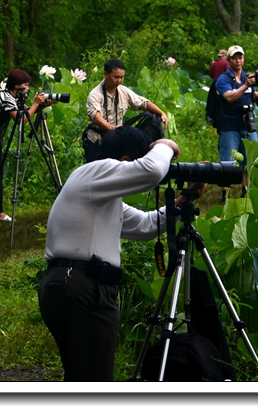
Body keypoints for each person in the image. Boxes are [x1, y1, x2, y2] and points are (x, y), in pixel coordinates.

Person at [38, 126, 201, 381]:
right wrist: (166, 145)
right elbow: (152, 170)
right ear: (126, 161)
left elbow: (145, 225)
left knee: (84, 375)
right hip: (83, 286)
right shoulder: (96, 170)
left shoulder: (99, 193)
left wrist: (181, 201)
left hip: (72, 285)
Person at [0, 69, 50, 222]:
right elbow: (21, 120)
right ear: (16, 85)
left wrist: (38, 106)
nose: (27, 89)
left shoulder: (8, 96)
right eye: (25, 85)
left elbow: (24, 111)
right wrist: (35, 104)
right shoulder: (6, 98)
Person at [83, 59, 168, 163]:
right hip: (97, 139)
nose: (119, 80)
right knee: (96, 171)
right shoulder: (95, 95)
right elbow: (97, 118)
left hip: (116, 140)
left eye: (121, 77)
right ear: (106, 74)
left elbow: (143, 103)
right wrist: (113, 129)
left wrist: (161, 113)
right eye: (116, 77)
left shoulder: (124, 91)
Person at [215, 45, 258, 167]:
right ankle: (225, 187)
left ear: (243, 59)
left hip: (248, 126)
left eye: (240, 57)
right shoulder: (223, 79)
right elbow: (229, 97)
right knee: (228, 164)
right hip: (229, 127)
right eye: (234, 58)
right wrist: (245, 85)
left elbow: (253, 96)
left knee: (250, 164)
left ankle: (246, 186)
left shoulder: (247, 76)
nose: (238, 61)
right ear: (229, 60)